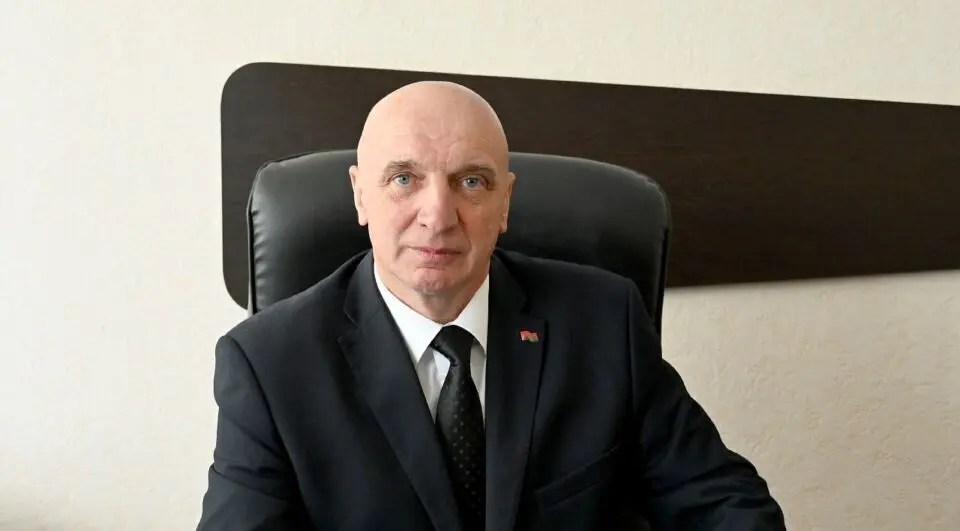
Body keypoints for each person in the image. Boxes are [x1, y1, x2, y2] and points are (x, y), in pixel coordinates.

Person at [196, 81, 786, 531]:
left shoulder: (605, 321)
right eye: (403, 179)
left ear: (505, 202)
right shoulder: (268, 364)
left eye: (471, 182)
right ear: (360, 196)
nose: (437, 216)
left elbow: (724, 503)